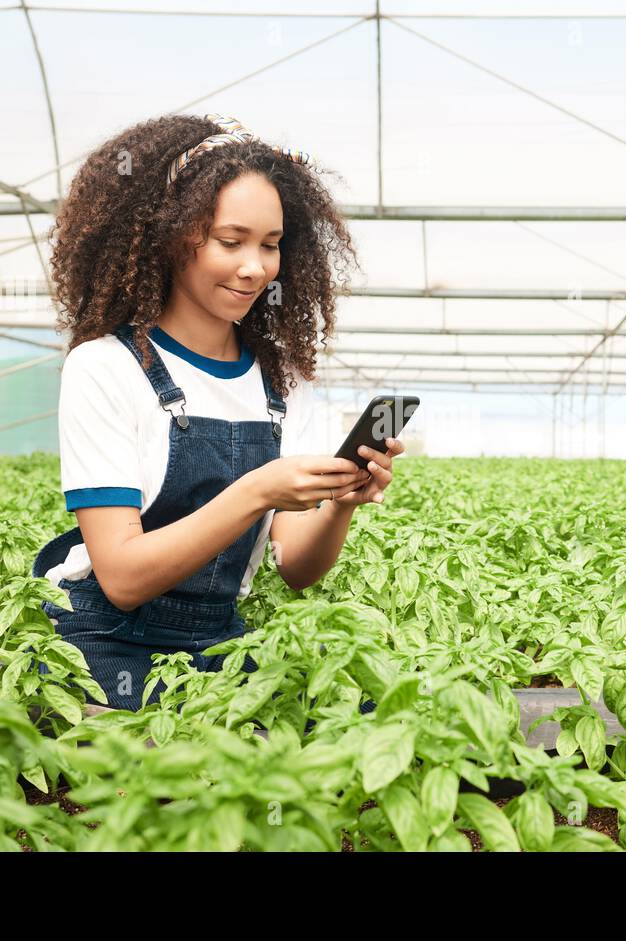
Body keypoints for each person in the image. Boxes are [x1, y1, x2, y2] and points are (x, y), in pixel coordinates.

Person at [31, 114, 404, 711]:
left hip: (216, 638)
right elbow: (123, 579)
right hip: (107, 640)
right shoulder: (104, 368)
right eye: (230, 242)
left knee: (351, 718)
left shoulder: (281, 381)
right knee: (178, 755)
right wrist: (257, 491)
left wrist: (340, 503)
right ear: (171, 235)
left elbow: (296, 569)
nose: (255, 266)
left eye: (271, 245)